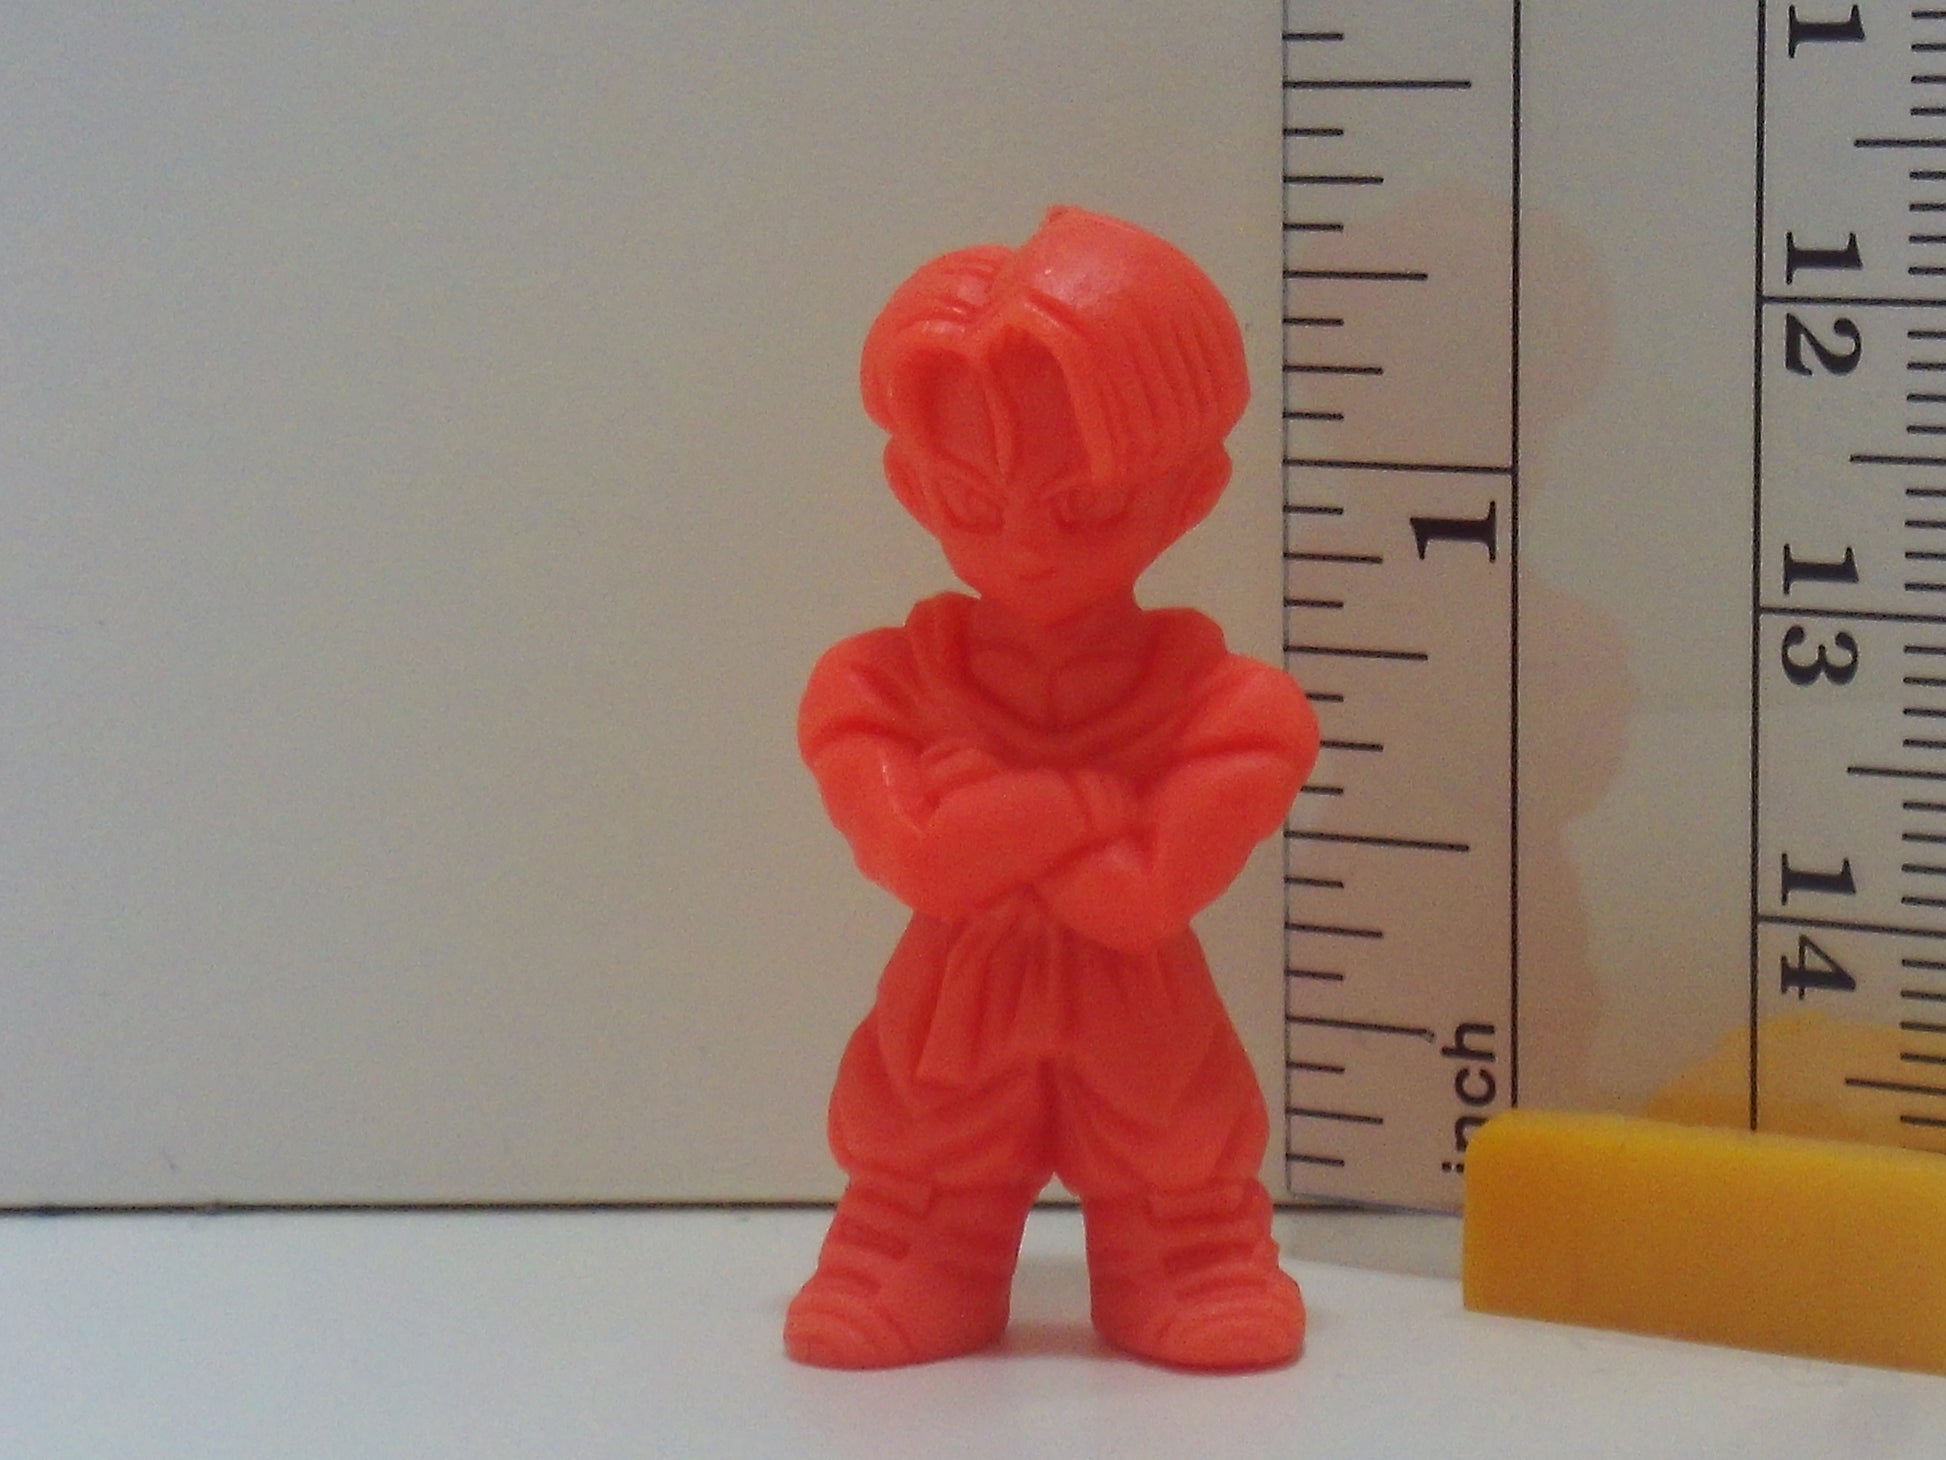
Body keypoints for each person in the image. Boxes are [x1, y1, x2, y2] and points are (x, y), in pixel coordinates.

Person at [788, 206, 1319, 1370]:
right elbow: (920, 860)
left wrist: (988, 805)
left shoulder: (1233, 707)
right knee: (923, 1140)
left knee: (1171, 1142)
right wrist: (1086, 808)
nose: (1027, 543)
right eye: (975, 502)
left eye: (1083, 503)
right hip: (946, 1027)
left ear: (1188, 492)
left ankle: (1187, 1253)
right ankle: (914, 1246)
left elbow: (1140, 900)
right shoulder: (874, 683)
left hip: (1143, 1025)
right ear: (913, 487)